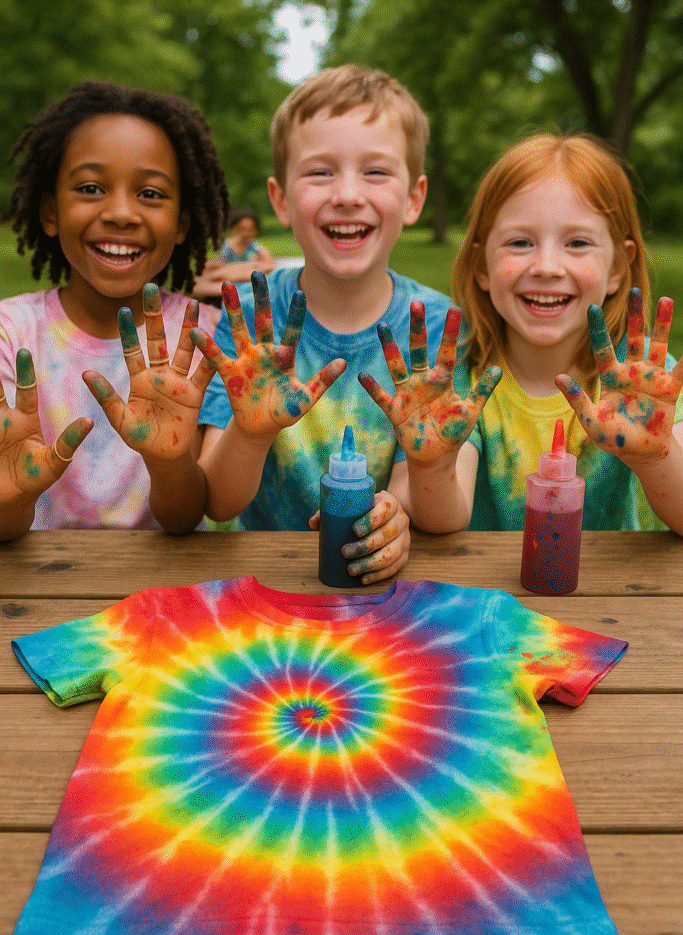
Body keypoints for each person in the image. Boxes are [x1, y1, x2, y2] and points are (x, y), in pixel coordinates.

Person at [192, 65, 500, 584]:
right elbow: (218, 503)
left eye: (376, 172)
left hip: (386, 594)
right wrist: (250, 430)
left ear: (414, 198)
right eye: (320, 172)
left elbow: (447, 516)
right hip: (267, 587)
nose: (348, 194)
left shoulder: (441, 331)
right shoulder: (248, 321)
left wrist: (400, 506)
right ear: (281, 200)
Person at [0, 80, 229, 541]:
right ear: (50, 213)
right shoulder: (12, 333)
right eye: (90, 187)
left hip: (159, 595)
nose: (122, 212)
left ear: (182, 223)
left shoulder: (203, 336)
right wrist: (15, 494)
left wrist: (168, 461)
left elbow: (185, 519)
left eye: (150, 194)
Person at [443, 132, 683, 534]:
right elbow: (444, 518)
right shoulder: (463, 376)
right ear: (481, 266)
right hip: (482, 593)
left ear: (619, 268)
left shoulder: (645, 381)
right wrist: (429, 464)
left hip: (604, 596)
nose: (547, 266)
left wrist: (655, 458)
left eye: (577, 243)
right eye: (520, 242)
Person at [192, 207, 275, 299]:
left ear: (255, 231)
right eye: (243, 229)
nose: (246, 233)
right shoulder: (228, 246)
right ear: (234, 229)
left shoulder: (254, 247)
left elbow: (270, 262)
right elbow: (219, 265)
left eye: (250, 229)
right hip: (228, 280)